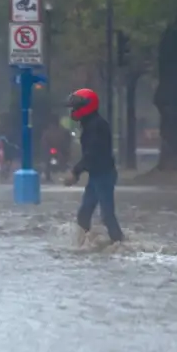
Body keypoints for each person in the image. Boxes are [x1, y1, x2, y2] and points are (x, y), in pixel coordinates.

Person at [63, 88, 125, 246]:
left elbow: (92, 154)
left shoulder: (96, 126)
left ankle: (120, 244)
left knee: (107, 214)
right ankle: (83, 244)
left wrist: (75, 172)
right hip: (97, 175)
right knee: (84, 213)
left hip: (104, 175)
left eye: (76, 106)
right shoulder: (90, 124)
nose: (73, 110)